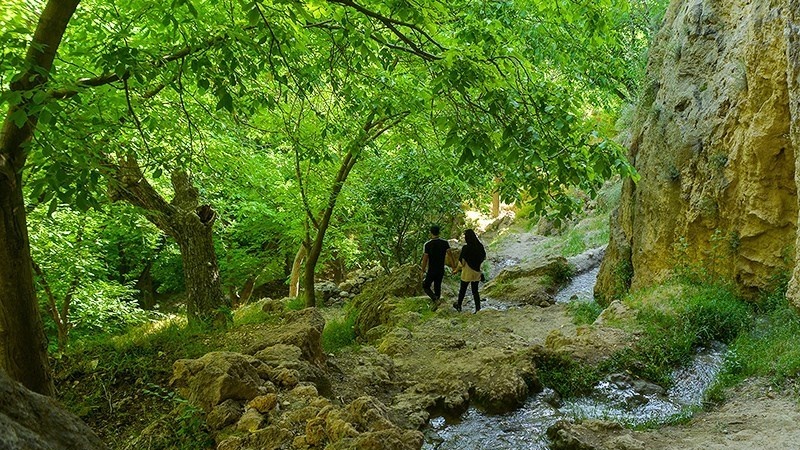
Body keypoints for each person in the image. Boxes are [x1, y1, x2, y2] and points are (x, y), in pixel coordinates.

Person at [452, 229, 486, 313]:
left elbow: (462, 263)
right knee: (475, 291)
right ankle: (478, 308)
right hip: (476, 272)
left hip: (467, 272)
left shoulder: (466, 248)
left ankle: (459, 305)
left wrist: (456, 270)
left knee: (463, 290)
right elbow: (483, 257)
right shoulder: (480, 246)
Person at [421, 225, 451, 310]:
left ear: (431, 233)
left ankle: (435, 300)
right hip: (441, 268)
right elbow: (450, 255)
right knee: (437, 286)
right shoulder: (445, 243)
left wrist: (422, 270)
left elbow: (425, 259)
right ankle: (437, 303)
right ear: (439, 232)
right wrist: (453, 266)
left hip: (432, 269)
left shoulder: (428, 245)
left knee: (425, 285)